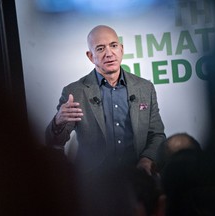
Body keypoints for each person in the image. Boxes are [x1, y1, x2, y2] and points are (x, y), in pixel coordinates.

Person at [45, 25, 166, 209]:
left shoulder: (144, 88)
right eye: (100, 49)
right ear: (90, 56)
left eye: (113, 45)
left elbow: (157, 135)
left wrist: (146, 160)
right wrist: (58, 122)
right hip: (95, 184)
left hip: (137, 180)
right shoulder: (74, 92)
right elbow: (55, 141)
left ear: (122, 49)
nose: (109, 53)